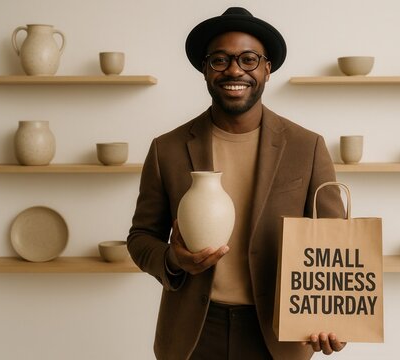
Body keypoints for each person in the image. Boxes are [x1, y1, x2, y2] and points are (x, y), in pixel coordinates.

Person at [128, 7, 347, 360]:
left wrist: (336, 318)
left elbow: (335, 245)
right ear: (204, 69)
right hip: (193, 334)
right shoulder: (166, 149)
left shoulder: (308, 147)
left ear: (267, 69)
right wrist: (173, 259)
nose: (234, 70)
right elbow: (140, 238)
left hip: (280, 335)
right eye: (220, 60)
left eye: (248, 59)